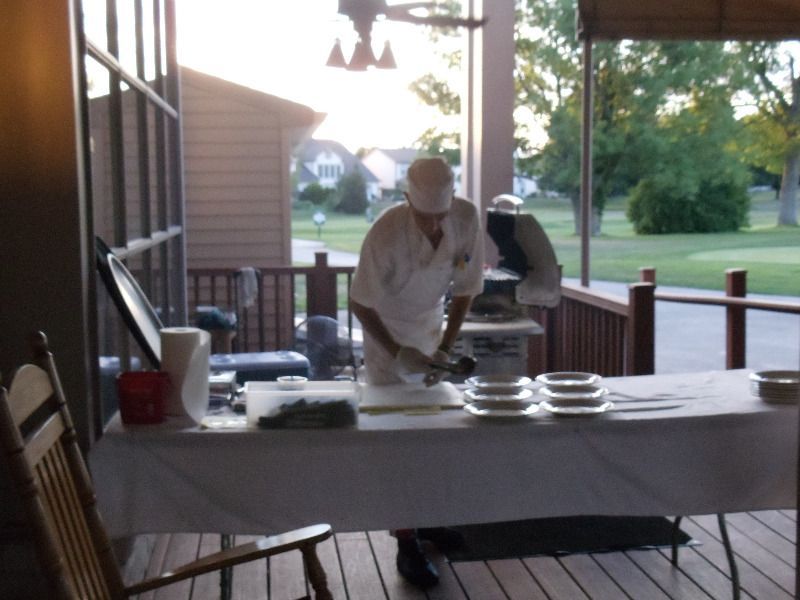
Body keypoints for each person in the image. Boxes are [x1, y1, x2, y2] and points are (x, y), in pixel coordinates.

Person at [349, 157, 484, 588]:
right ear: (407, 200)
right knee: (398, 443)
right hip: (387, 339)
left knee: (437, 436)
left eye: (439, 216)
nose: (433, 225)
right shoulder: (386, 232)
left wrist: (446, 345)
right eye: (425, 217)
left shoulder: (465, 218)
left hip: (430, 330)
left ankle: (433, 522)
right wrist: (395, 351)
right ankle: (406, 540)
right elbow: (360, 302)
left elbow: (465, 289)